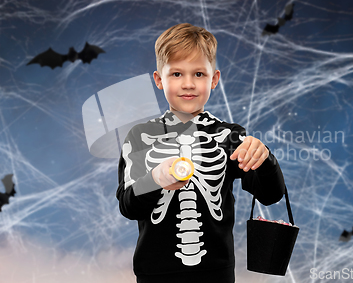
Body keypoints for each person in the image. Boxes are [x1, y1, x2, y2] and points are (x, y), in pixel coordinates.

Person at [116, 23, 285, 283]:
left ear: (214, 79)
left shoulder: (229, 137)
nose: (188, 84)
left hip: (217, 273)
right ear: (159, 80)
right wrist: (155, 179)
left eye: (198, 74)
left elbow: (270, 194)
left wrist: (265, 159)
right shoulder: (139, 137)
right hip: (155, 273)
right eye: (176, 74)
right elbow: (128, 206)